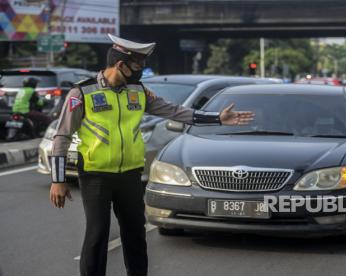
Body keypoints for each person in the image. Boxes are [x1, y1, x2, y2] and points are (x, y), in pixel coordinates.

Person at [48, 34, 255, 276]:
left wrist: (217, 118)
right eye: (137, 66)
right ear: (120, 65)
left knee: (135, 234)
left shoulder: (138, 91)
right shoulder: (82, 92)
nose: (141, 71)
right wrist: (58, 179)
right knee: (97, 235)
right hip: (96, 176)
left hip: (130, 175)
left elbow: (175, 112)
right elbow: (61, 136)